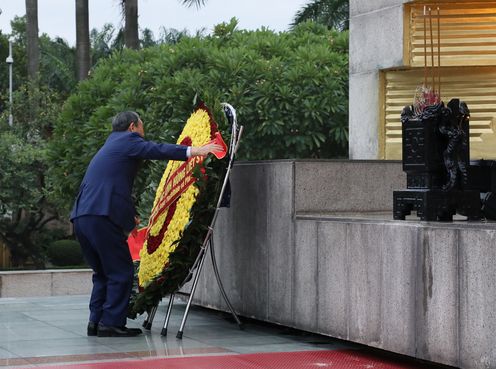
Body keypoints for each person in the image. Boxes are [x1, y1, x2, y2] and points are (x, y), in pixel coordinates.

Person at [70, 111, 222, 337]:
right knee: (120, 271)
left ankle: (96, 321)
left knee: (102, 272)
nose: (143, 132)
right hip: (101, 216)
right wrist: (195, 151)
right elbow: (157, 149)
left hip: (82, 216)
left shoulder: (110, 145)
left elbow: (113, 186)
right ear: (133, 127)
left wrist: (128, 217)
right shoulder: (128, 140)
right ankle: (110, 323)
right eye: (142, 126)